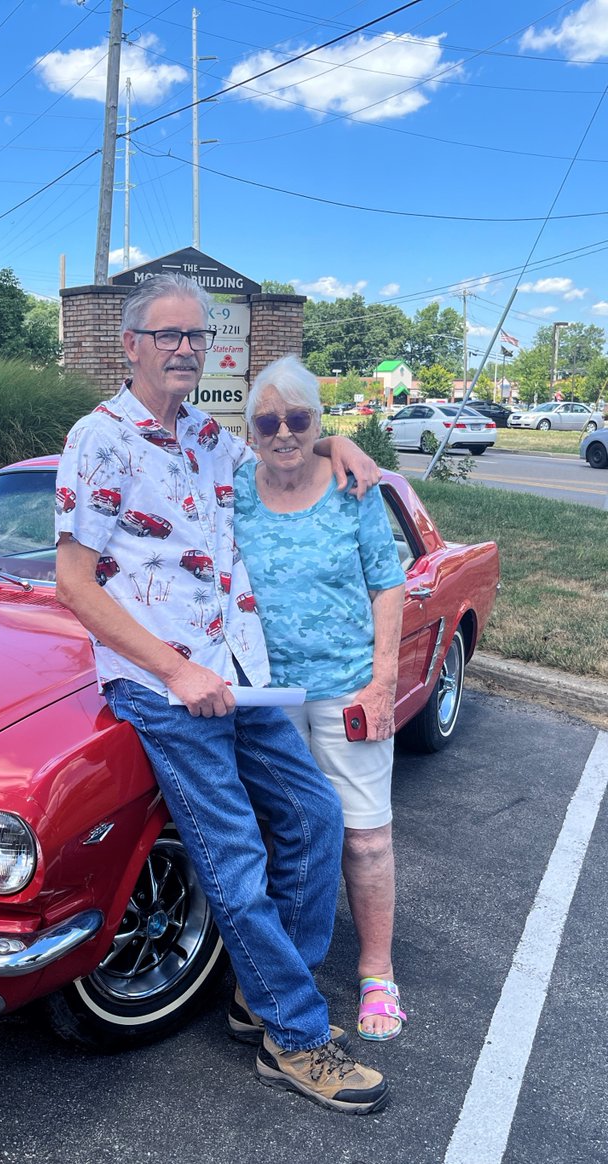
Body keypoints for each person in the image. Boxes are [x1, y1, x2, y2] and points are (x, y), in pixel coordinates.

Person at [54, 273, 389, 1115]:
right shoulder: (100, 441)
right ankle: (296, 1038)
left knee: (313, 820)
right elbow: (74, 583)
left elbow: (284, 448)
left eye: (196, 337)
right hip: (168, 690)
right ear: (130, 345)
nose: (185, 350)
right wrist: (174, 670)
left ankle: (260, 989)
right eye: (168, 336)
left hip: (243, 676)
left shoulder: (206, 436)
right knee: (234, 859)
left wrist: (337, 442)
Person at [233, 355, 408, 1041]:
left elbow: (387, 583)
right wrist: (336, 438)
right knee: (285, 837)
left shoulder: (352, 490)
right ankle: (282, 976)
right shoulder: (234, 488)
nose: (284, 432)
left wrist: (384, 679)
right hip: (265, 697)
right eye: (268, 420)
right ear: (249, 430)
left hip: (346, 689)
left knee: (365, 837)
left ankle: (376, 973)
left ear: (316, 421)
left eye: (299, 419)